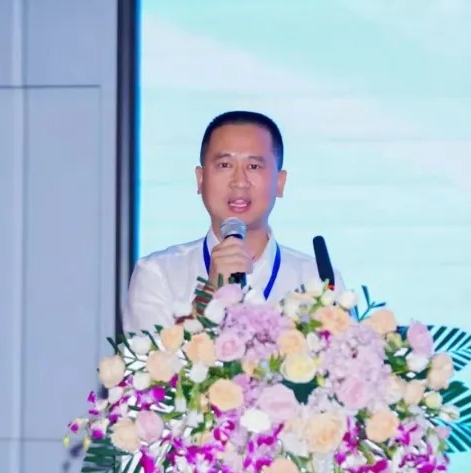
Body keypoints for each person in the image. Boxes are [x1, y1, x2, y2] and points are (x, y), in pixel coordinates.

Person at [122, 110, 342, 335]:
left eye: (254, 166)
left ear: (279, 182)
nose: (239, 182)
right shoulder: (158, 274)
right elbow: (147, 356)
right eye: (225, 165)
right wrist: (210, 292)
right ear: (200, 179)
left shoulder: (318, 279)